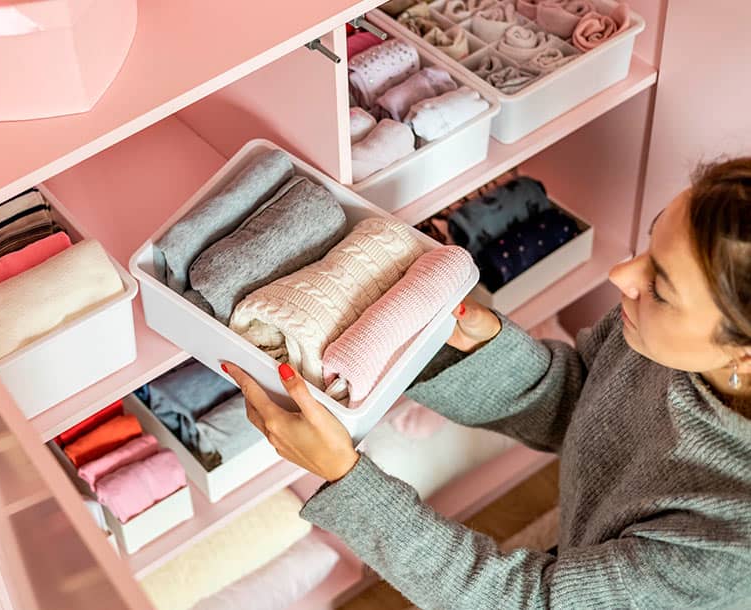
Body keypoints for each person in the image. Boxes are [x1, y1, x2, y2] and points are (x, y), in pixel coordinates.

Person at [220, 158, 751, 609]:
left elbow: (521, 602)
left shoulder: (730, 546)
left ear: (743, 355)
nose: (623, 276)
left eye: (659, 287)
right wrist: (477, 349)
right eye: (651, 244)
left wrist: (347, 476)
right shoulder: (662, 340)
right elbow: (588, 408)